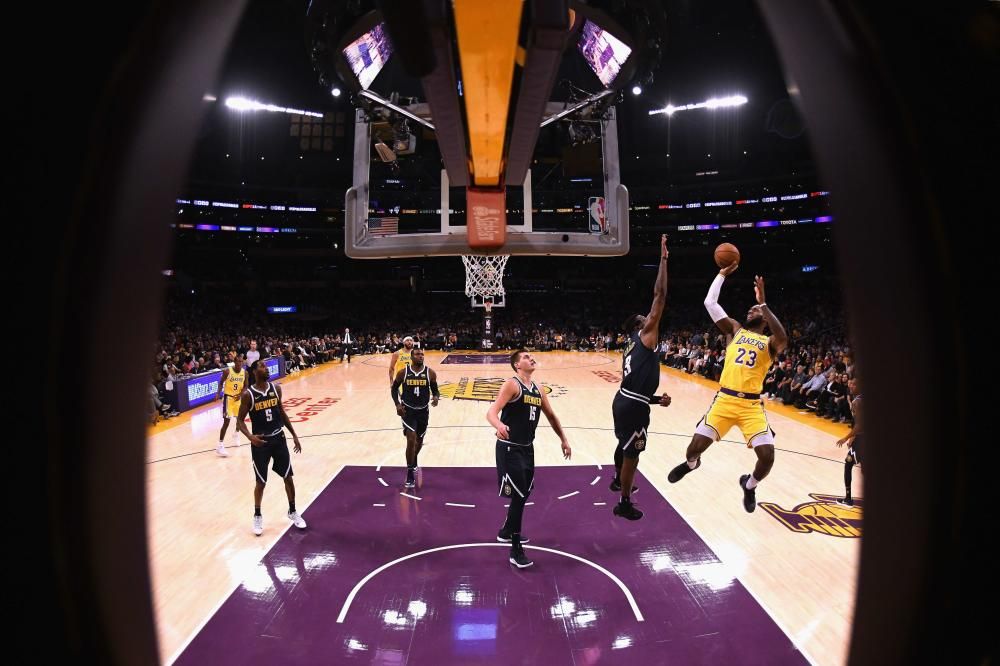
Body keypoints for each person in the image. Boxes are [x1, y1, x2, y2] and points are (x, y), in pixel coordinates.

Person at [668, 263, 788, 513]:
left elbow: (783, 337)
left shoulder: (770, 343)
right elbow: (710, 303)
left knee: (767, 456)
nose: (750, 310)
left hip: (751, 406)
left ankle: (750, 485)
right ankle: (691, 465)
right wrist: (721, 274)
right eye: (751, 308)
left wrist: (763, 303)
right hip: (724, 400)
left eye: (755, 309)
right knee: (693, 449)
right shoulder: (735, 330)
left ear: (765, 318)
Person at [487, 351, 571, 568]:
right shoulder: (512, 385)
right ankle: (515, 549)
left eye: (531, 356)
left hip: (527, 448)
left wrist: (563, 439)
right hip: (509, 448)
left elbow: (551, 416)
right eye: (526, 357)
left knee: (523, 495)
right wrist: (499, 425)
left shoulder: (538, 389)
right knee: (519, 494)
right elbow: (492, 412)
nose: (531, 358)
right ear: (517, 365)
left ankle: (506, 530)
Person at [611, 234, 673, 520]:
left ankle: (615, 478)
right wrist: (663, 259)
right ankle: (624, 502)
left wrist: (656, 399)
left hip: (625, 399)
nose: (651, 317)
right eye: (646, 317)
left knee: (622, 444)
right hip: (634, 406)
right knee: (632, 455)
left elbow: (637, 379)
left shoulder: (632, 343)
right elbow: (659, 295)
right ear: (642, 324)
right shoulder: (646, 335)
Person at [236, 360, 306, 535]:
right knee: (261, 482)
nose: (266, 369)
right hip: (261, 443)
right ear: (254, 372)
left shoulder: (276, 389)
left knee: (288, 477)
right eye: (262, 367)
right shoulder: (248, 395)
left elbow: (282, 413)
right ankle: (257, 514)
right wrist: (250, 437)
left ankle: (292, 511)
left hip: (278, 438)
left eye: (266, 367)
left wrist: (294, 435)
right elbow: (239, 421)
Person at [390, 347, 439, 488]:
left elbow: (435, 390)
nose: (421, 356)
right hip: (408, 411)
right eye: (417, 354)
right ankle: (410, 472)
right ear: (411, 357)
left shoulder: (430, 373)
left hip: (423, 411)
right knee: (411, 439)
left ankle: (413, 459)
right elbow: (394, 389)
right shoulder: (403, 373)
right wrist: (397, 405)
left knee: (419, 441)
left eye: (422, 354)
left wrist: (436, 397)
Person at [835, 380, 863, 506]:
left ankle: (848, 499)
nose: (850, 386)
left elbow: (860, 425)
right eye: (850, 383)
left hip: (862, 439)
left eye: (854, 384)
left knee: (848, 464)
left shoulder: (857, 402)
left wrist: (847, 437)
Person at [215, 354, 247, 457]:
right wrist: (218, 393)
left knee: (240, 419)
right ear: (234, 362)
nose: (240, 363)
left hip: (238, 399)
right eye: (238, 362)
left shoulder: (245, 373)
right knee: (226, 422)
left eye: (241, 362)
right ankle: (220, 445)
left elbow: (246, 386)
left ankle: (236, 433)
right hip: (228, 398)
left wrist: (241, 394)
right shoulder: (227, 371)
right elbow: (220, 383)